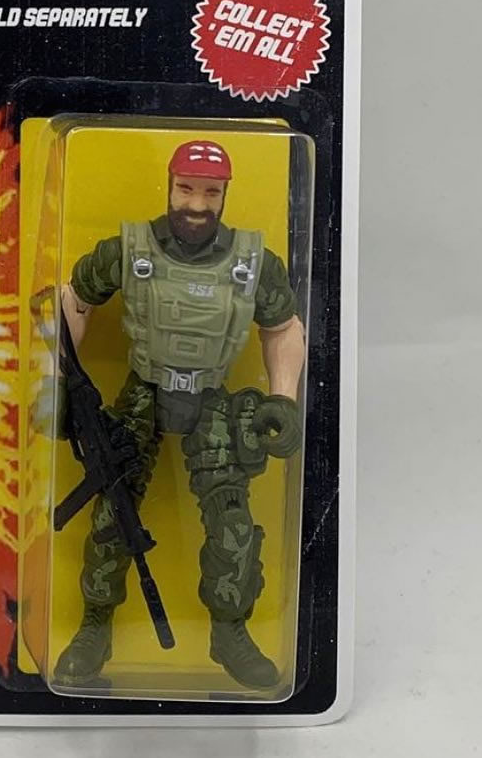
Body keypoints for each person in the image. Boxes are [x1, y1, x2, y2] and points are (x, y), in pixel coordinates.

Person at [56, 139, 306, 689]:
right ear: (169, 186)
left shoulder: (254, 262)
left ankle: (231, 632)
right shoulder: (129, 248)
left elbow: (283, 328)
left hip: (212, 399)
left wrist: (283, 398)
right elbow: (73, 299)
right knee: (112, 511)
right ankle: (95, 628)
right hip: (143, 390)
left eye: (210, 192)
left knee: (232, 522)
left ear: (225, 194)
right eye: (186, 188)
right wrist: (59, 383)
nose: (196, 203)